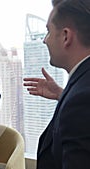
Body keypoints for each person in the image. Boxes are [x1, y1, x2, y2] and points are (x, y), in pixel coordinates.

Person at [23, 0, 90, 168]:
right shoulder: (82, 87)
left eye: (48, 32)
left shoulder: (81, 100)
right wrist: (63, 95)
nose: (45, 40)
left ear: (66, 36)